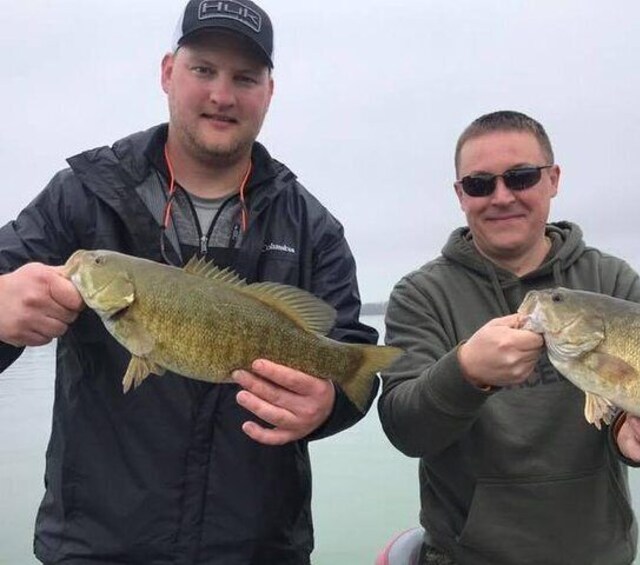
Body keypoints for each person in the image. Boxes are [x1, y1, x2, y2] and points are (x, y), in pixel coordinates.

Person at [0, 1, 378, 563]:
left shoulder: (313, 228)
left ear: (269, 92)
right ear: (167, 72)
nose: (222, 95)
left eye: (244, 78)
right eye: (203, 69)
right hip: (96, 548)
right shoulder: (80, 196)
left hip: (258, 550)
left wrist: (329, 407)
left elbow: (353, 361)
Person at [378, 110, 640, 565]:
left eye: (521, 177)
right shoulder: (421, 294)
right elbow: (405, 430)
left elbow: (639, 411)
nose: (501, 197)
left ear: (553, 179)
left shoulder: (610, 280)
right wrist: (466, 373)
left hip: (599, 553)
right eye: (480, 184)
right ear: (460, 195)